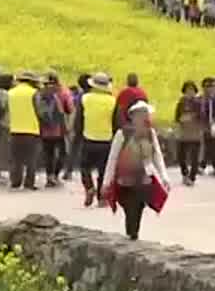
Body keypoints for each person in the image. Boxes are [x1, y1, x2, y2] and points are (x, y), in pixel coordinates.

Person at [103, 102, 169, 241]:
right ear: (132, 117)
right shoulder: (123, 134)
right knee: (130, 208)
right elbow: (113, 157)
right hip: (125, 180)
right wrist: (106, 181)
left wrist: (164, 176)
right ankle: (132, 235)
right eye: (140, 114)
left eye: (145, 114)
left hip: (144, 179)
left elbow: (157, 155)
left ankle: (133, 235)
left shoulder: (150, 133)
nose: (143, 117)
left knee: (138, 208)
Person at [79, 73, 118, 207]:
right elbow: (116, 122)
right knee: (103, 170)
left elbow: (79, 119)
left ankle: (89, 187)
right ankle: (102, 198)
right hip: (106, 140)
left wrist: (77, 136)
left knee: (84, 167)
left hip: (88, 137)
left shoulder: (85, 98)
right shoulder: (112, 101)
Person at [6, 70, 43, 191]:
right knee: (31, 159)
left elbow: (6, 111)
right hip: (32, 130)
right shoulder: (34, 93)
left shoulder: (10, 93)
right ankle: (29, 183)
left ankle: (15, 182)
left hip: (14, 129)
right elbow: (39, 111)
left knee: (16, 159)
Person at [39, 73, 72, 187]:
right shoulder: (63, 93)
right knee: (62, 153)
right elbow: (70, 109)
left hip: (45, 129)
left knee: (48, 153)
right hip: (60, 129)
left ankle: (49, 176)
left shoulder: (40, 93)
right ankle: (55, 175)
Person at [173, 81, 206, 185]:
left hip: (195, 133)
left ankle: (192, 177)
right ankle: (185, 173)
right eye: (187, 90)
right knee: (181, 156)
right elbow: (177, 117)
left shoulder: (198, 103)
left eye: (192, 90)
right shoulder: (181, 103)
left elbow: (202, 116)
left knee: (194, 157)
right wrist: (181, 120)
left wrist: (193, 117)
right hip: (184, 133)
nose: (190, 92)